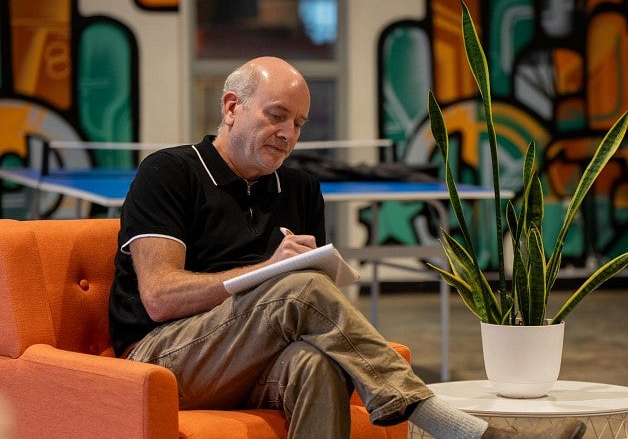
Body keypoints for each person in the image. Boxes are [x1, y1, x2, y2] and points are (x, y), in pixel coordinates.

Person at [108, 56, 585, 439]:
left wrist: (290, 278)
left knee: (317, 364)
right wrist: (270, 274)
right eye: (276, 116)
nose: (289, 134)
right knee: (299, 287)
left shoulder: (299, 190)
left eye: (299, 123)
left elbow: (304, 312)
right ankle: (454, 427)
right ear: (231, 107)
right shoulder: (169, 173)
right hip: (161, 358)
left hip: (246, 357)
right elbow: (160, 295)